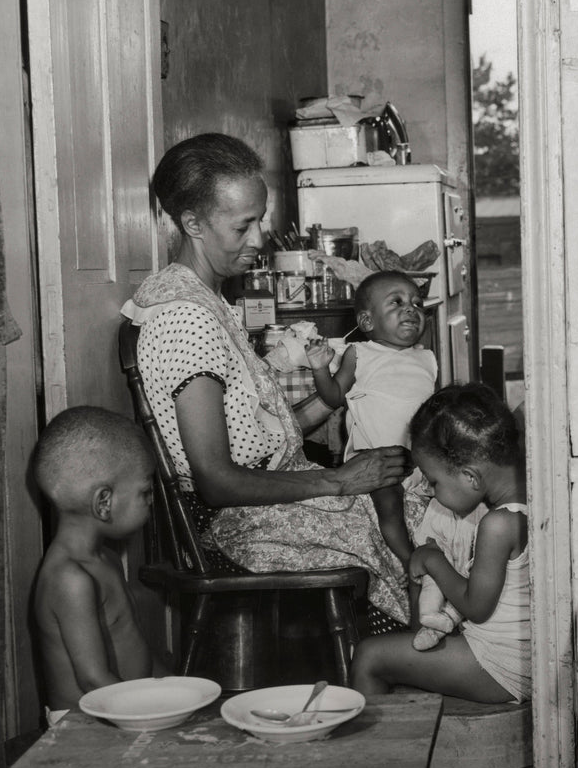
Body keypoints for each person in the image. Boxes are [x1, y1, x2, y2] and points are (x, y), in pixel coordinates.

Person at [120, 132, 424, 628]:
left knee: (419, 500)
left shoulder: (208, 301)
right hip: (240, 523)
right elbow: (217, 481)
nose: (258, 239)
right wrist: (339, 478)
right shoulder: (183, 318)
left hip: (270, 496)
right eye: (243, 226)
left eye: (259, 219)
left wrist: (339, 395)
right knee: (415, 529)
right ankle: (417, 656)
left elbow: (257, 432)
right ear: (192, 224)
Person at [351, 383, 530, 703]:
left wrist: (433, 559)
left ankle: (381, 753)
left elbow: (476, 607)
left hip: (500, 665)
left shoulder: (498, 524)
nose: (431, 492)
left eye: (434, 481)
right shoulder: (528, 499)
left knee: (368, 656)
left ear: (471, 477)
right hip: (514, 655)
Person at [31, 406, 168, 721]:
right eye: (145, 492)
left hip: (119, 710)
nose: (151, 501)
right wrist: (151, 717)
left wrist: (175, 689)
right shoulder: (70, 579)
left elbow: (133, 645)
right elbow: (93, 680)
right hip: (83, 726)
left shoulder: (105, 559)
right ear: (104, 503)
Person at [306, 270, 438, 567]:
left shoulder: (427, 358)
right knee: (390, 508)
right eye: (397, 302)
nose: (411, 309)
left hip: (420, 457)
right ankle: (409, 561)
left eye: (417, 304)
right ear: (367, 321)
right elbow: (333, 397)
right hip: (376, 459)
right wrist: (319, 370)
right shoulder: (361, 353)